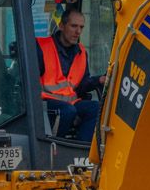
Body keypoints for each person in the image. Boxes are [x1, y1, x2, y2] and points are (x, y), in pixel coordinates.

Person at [36, 7, 107, 140]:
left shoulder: (81, 52)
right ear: (62, 25)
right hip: (45, 102)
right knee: (68, 111)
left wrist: (99, 80)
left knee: (97, 108)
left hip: (71, 103)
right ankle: (57, 147)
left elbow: (82, 85)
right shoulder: (41, 47)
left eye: (81, 27)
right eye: (74, 26)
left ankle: (82, 151)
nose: (78, 31)